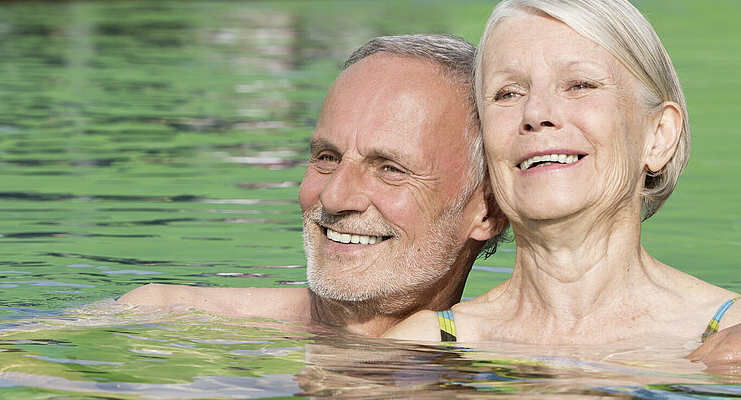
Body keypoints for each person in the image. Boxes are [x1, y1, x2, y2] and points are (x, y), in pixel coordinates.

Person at [384, 0, 741, 364]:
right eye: (507, 93)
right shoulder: (427, 349)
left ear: (658, 137)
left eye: (579, 85)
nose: (537, 113)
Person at [121, 34, 506, 337]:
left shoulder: (523, 358)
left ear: (488, 209)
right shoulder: (160, 317)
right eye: (327, 158)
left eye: (389, 169)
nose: (334, 196)